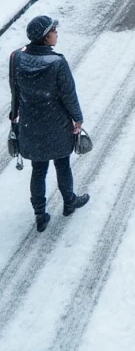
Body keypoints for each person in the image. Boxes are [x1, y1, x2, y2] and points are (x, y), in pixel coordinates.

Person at [9, 16, 89, 232]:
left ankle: (40, 213)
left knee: (38, 169)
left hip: (30, 126)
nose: (56, 33)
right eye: (53, 30)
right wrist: (77, 118)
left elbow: (15, 90)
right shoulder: (57, 62)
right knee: (62, 164)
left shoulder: (17, 57)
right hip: (57, 124)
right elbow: (68, 95)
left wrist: (14, 115)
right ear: (45, 37)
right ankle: (69, 202)